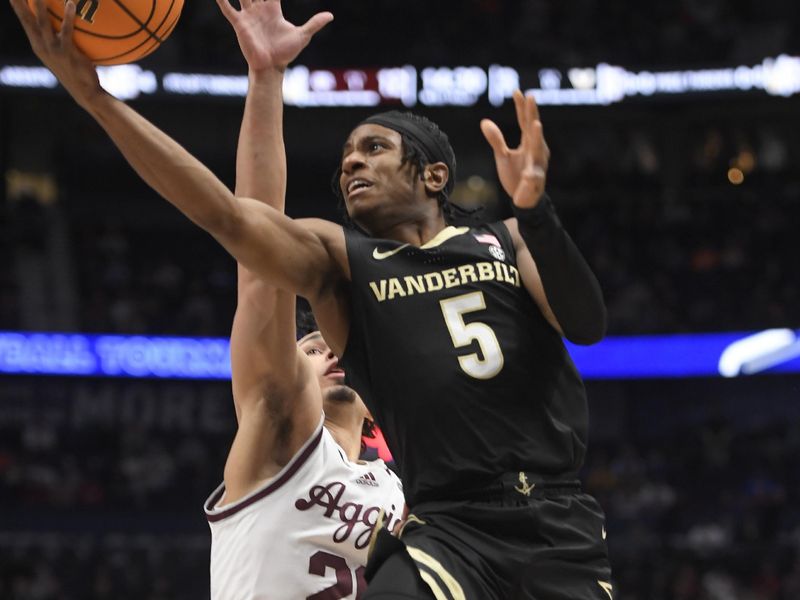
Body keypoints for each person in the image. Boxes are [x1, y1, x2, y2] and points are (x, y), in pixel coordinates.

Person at [11, 0, 611, 597]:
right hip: (454, 536)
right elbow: (235, 219)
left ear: (432, 175)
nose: (351, 159)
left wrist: (536, 215)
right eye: (346, 154)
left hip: (550, 523)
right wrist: (99, 97)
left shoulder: (398, 483)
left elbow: (585, 323)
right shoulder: (305, 355)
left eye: (373, 148)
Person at [204, 4, 405, 598]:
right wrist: (266, 80)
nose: (329, 353)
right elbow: (257, 249)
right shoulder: (279, 422)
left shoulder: (399, 488)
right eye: (312, 345)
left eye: (335, 343)